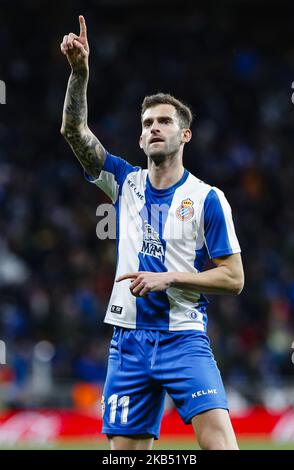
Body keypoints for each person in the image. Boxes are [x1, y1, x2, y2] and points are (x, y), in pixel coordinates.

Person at [60, 16, 244, 451]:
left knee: (221, 447)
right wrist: (80, 74)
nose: (152, 128)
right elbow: (74, 132)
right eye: (146, 123)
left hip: (184, 338)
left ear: (185, 134)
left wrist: (168, 279)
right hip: (128, 342)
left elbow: (233, 279)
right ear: (140, 139)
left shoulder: (208, 199)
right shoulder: (123, 182)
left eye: (163, 121)